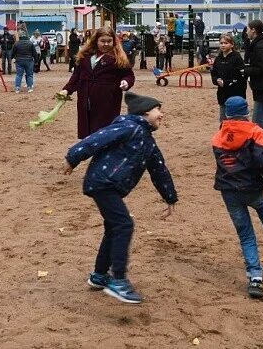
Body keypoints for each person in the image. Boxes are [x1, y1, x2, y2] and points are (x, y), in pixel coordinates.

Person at [63, 92, 177, 305]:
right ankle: (119, 280)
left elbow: (159, 170)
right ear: (144, 113)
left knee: (114, 227)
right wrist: (73, 157)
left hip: (110, 185)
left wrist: (170, 197)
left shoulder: (148, 141)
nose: (162, 114)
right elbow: (96, 139)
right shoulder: (128, 127)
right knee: (124, 224)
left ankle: (99, 275)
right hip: (102, 182)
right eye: (158, 110)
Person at [212, 95, 263, 300]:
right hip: (251, 187)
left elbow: (224, 162)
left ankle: (255, 276)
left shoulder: (219, 135)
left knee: (245, 233)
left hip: (229, 189)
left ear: (227, 114)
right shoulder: (256, 132)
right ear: (246, 112)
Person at [59, 27, 136, 140]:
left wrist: (126, 82)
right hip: (85, 101)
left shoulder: (118, 58)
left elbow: (129, 75)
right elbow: (76, 76)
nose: (106, 44)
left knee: (104, 134)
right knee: (88, 134)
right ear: (96, 41)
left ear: (113, 41)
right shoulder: (85, 57)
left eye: (109, 41)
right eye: (103, 41)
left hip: (107, 102)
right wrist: (67, 90)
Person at [211, 33, 247, 122]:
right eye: (221, 43)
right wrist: (216, 80)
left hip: (235, 94)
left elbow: (241, 76)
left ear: (232, 44)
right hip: (222, 94)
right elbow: (214, 73)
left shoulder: (237, 58)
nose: (223, 45)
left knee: (236, 120)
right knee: (223, 120)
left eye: (226, 43)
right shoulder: (218, 58)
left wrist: (227, 83)